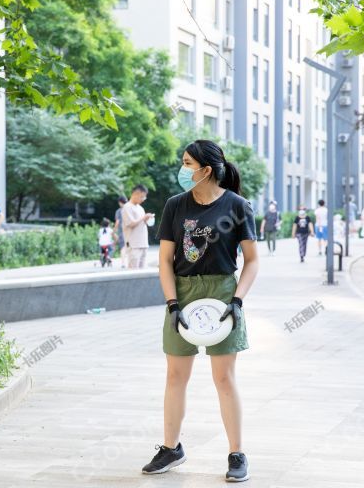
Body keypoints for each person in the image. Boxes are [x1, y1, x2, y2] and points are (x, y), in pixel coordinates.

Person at [145, 139, 258, 482]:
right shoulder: (175, 206)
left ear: (206, 170)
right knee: (175, 376)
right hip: (182, 293)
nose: (182, 169)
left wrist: (237, 301)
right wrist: (171, 303)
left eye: (187, 163)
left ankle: (236, 453)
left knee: (224, 377)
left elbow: (252, 261)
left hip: (223, 293)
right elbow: (165, 260)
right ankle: (171, 447)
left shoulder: (238, 206)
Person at [122, 185, 154, 269]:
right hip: (133, 244)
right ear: (136, 194)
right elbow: (131, 223)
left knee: (142, 271)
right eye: (142, 197)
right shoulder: (127, 207)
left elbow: (141, 222)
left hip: (143, 243)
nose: (143, 199)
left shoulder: (140, 208)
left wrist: (147, 219)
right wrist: (143, 217)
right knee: (133, 270)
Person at [113, 196, 128, 268]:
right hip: (131, 231)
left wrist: (114, 231)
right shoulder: (130, 208)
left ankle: (123, 263)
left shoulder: (119, 211)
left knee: (123, 247)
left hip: (122, 231)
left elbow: (117, 222)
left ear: (120, 202)